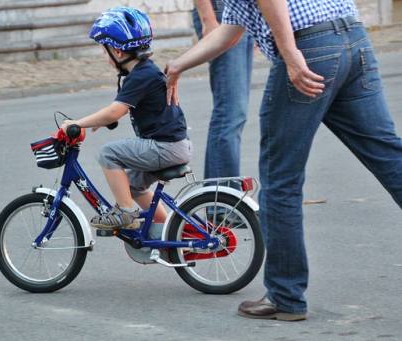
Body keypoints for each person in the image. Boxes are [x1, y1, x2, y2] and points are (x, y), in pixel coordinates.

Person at [166, 0, 402, 321]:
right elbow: (230, 34)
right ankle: (285, 293)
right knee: (389, 156)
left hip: (308, 46)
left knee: (281, 180)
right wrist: (178, 65)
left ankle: (285, 295)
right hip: (353, 39)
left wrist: (289, 54)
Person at [61, 7, 192, 230]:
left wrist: (77, 123)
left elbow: (115, 111)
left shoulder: (141, 76)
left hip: (165, 147)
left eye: (105, 51)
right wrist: (100, 121)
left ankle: (125, 211)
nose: (105, 56)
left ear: (118, 52)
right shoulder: (142, 72)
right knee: (132, 187)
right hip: (173, 145)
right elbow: (120, 108)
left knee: (108, 153)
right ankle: (169, 230)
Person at [192, 0, 253, 180]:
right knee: (230, 113)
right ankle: (221, 200)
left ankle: (219, 198)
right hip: (220, 13)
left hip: (242, 13)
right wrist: (207, 17)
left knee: (234, 114)